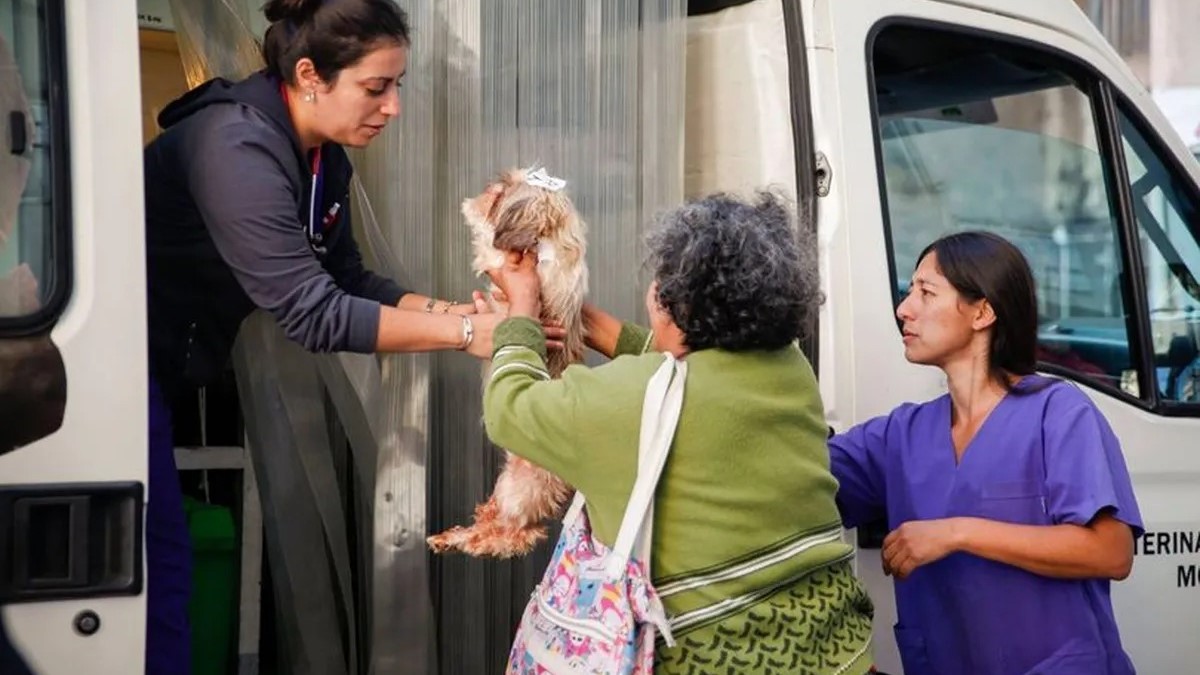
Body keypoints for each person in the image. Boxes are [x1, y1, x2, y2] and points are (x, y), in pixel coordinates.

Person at [141, 1, 559, 670]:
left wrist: (459, 310)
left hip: (163, 368)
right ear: (309, 75)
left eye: (397, 86)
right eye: (376, 87)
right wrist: (462, 332)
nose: (392, 107)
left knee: (165, 570)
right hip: (117, 373)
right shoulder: (234, 147)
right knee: (155, 576)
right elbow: (312, 312)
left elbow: (347, 277)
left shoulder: (321, 159)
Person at [482, 191, 875, 674]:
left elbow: (509, 406)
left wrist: (520, 310)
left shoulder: (628, 399)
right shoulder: (789, 368)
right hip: (835, 649)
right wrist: (567, 310)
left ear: (673, 301)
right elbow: (672, 359)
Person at [829, 231, 1142, 675]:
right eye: (908, 292)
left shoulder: (1058, 412)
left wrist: (955, 533)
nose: (904, 309)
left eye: (925, 292)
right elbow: (802, 474)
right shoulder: (901, 434)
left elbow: (1111, 552)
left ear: (983, 311)